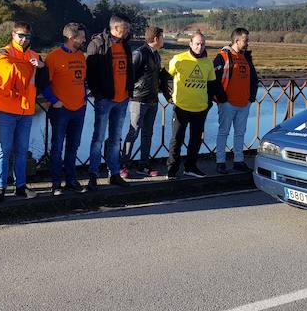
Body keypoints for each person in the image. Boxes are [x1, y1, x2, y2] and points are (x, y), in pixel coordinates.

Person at [0, 21, 43, 203]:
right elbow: (3, 74)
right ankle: (0, 188)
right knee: (4, 149)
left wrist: (41, 67)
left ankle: (20, 186)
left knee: (21, 150)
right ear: (13, 35)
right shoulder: (4, 53)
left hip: (26, 109)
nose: (23, 39)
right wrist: (27, 67)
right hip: (7, 109)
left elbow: (41, 81)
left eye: (27, 36)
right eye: (20, 35)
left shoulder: (34, 55)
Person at [85, 15, 134, 190]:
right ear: (114, 28)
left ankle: (114, 173)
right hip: (105, 99)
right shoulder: (98, 44)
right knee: (98, 138)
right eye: (125, 28)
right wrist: (99, 94)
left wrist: (128, 92)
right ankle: (93, 175)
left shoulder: (125, 44)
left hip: (122, 99)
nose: (128, 30)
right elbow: (90, 73)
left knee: (115, 139)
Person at [164, 31, 219, 179]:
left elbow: (212, 85)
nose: (200, 47)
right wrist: (168, 97)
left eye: (202, 44)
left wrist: (208, 103)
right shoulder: (178, 59)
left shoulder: (208, 63)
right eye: (197, 44)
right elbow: (163, 77)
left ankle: (191, 167)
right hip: (181, 107)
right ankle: (172, 171)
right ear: (190, 44)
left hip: (200, 109)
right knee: (177, 140)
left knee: (196, 140)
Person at [43, 23, 88, 195]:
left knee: (73, 146)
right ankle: (56, 184)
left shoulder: (81, 56)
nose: (84, 40)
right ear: (71, 38)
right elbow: (45, 83)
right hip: (61, 110)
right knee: (57, 147)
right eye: (81, 37)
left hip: (79, 109)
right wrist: (54, 100)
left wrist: (84, 98)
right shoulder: (54, 57)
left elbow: (82, 80)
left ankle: (71, 180)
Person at [120, 26, 164, 178]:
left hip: (153, 100)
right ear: (156, 38)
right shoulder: (139, 53)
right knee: (133, 132)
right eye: (162, 37)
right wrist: (131, 94)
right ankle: (123, 165)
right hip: (138, 100)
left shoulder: (156, 55)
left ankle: (143, 165)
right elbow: (129, 76)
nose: (163, 40)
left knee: (147, 134)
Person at [213, 28, 258, 174]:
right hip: (228, 103)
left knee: (240, 133)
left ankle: (239, 160)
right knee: (223, 132)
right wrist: (222, 99)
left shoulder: (246, 57)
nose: (247, 43)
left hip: (244, 103)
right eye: (245, 40)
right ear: (237, 40)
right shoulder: (222, 57)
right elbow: (214, 80)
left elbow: (253, 79)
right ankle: (220, 162)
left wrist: (251, 98)